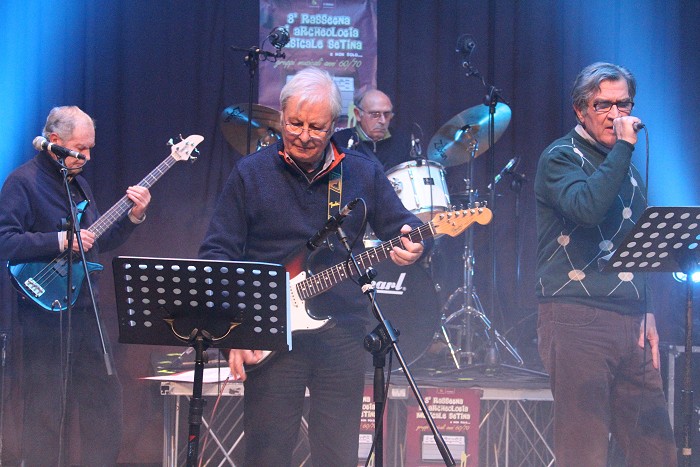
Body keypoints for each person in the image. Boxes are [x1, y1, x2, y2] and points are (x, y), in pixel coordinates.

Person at [199, 67, 425, 466]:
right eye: (295, 124)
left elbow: (403, 224)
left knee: (337, 454)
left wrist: (416, 242)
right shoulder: (251, 173)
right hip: (271, 330)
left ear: (335, 125)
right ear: (281, 117)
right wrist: (234, 328)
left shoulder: (361, 171)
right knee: (267, 454)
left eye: (316, 127)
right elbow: (217, 254)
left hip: (342, 332)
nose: (303, 135)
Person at [534, 62, 677, 466]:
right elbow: (588, 208)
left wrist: (647, 309)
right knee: (584, 452)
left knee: (656, 451)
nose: (616, 114)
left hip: (631, 320)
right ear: (580, 110)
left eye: (623, 104)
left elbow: (637, 241)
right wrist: (624, 148)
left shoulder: (624, 165)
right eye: (603, 105)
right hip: (576, 315)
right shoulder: (561, 157)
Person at [0, 106, 151, 465]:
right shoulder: (23, 182)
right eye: (80, 149)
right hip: (43, 316)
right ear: (55, 141)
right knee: (46, 410)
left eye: (90, 149)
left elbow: (96, 242)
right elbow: (5, 240)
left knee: (104, 403)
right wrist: (60, 241)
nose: (87, 157)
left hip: (86, 310)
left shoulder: (77, 184)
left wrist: (134, 216)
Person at [333, 88, 414, 171]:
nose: (383, 121)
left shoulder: (403, 142)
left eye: (387, 114)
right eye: (375, 115)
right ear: (357, 114)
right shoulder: (339, 141)